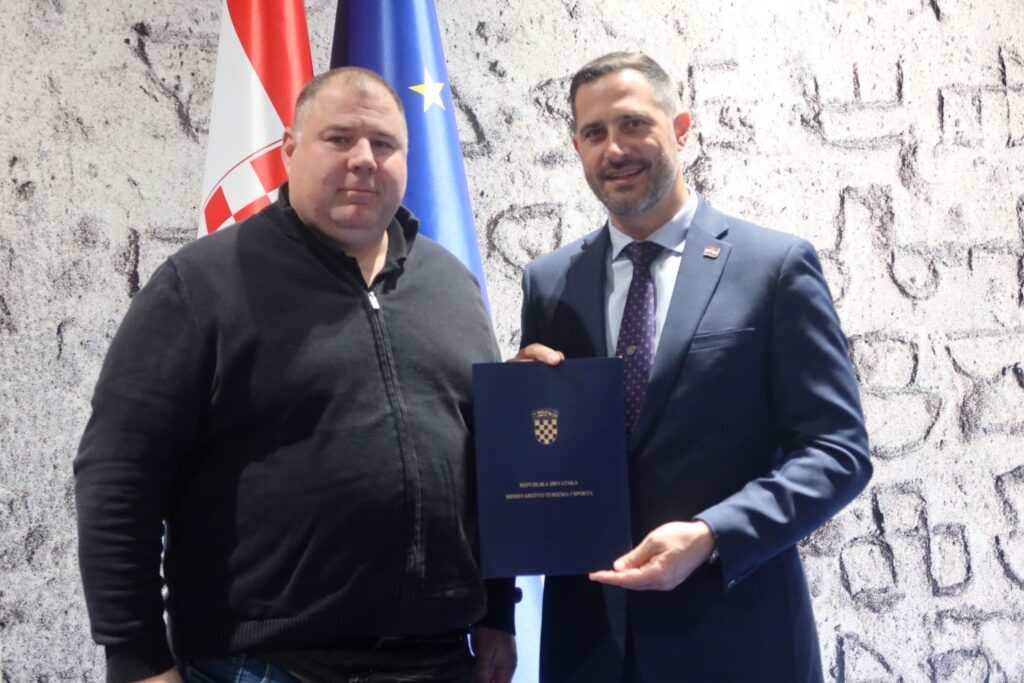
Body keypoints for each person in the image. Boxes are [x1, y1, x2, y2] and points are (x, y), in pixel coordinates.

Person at [75, 67, 516, 683]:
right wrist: (136, 658)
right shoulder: (200, 284)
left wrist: (498, 610)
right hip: (263, 666)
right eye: (339, 138)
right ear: (289, 149)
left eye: (384, 143)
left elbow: (483, 468)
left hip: (440, 661)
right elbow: (120, 475)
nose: (364, 159)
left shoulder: (450, 283)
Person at [515, 52, 872, 682]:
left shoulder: (774, 267)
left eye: (633, 124)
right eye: (594, 133)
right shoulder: (550, 283)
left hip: (738, 640)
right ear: (577, 147)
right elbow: (546, 457)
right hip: (588, 646)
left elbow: (837, 452)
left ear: (680, 128)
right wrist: (517, 410)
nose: (615, 149)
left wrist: (712, 534)